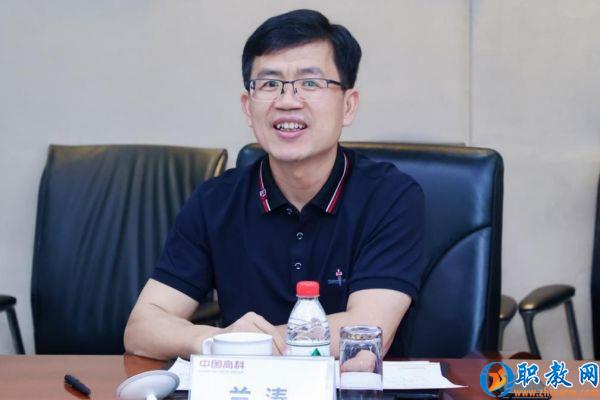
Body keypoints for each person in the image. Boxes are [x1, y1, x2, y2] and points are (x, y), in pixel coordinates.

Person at [124, 9, 424, 360]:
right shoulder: (215, 201)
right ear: (248, 108)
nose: (287, 101)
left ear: (348, 105)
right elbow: (141, 328)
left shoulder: (391, 197)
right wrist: (214, 340)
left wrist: (246, 345)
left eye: (310, 83)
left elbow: (366, 333)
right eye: (269, 84)